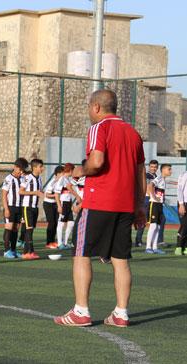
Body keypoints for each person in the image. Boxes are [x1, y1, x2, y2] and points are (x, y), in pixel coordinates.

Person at [55, 89, 145, 328]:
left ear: (96, 107)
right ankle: (121, 313)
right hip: (125, 205)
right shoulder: (134, 134)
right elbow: (140, 174)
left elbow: (96, 162)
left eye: (88, 107)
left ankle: (81, 311)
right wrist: (139, 207)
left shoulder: (99, 128)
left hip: (100, 201)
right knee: (121, 259)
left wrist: (79, 171)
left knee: (82, 253)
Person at [1, 158, 28, 257]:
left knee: (16, 229)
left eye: (23, 170)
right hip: (10, 207)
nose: (21, 172)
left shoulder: (22, 178)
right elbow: (4, 194)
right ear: (15, 167)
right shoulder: (8, 179)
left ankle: (13, 250)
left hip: (19, 207)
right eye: (20, 169)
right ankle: (6, 251)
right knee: (9, 228)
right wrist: (6, 209)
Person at [19, 159, 45, 260]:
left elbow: (40, 192)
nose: (42, 168)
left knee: (30, 230)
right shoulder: (28, 178)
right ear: (35, 167)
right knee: (29, 230)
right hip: (27, 207)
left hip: (35, 207)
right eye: (41, 167)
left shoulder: (39, 179)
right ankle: (31, 251)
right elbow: (20, 192)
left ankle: (25, 253)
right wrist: (34, 192)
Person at [145, 164, 171, 254]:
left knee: (158, 226)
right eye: (169, 169)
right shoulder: (159, 178)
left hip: (159, 205)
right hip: (154, 204)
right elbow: (150, 186)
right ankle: (148, 247)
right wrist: (153, 197)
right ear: (163, 170)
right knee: (153, 225)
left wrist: (162, 199)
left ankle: (155, 247)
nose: (170, 171)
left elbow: (160, 191)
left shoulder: (163, 180)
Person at [54, 163, 82, 250]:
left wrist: (72, 203)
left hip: (68, 203)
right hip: (63, 203)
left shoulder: (67, 179)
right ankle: (59, 243)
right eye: (73, 170)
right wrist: (59, 205)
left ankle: (65, 243)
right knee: (61, 223)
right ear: (70, 170)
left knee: (71, 223)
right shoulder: (62, 179)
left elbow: (69, 193)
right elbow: (56, 193)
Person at [135, 160, 158, 247]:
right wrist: (153, 196)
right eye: (152, 167)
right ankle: (138, 240)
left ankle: (156, 240)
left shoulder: (155, 175)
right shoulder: (147, 175)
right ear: (149, 167)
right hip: (146, 199)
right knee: (143, 220)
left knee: (157, 221)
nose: (153, 168)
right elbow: (148, 187)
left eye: (155, 167)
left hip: (151, 199)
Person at [43, 166, 64, 249]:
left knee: (56, 223)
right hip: (48, 204)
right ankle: (48, 242)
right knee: (51, 223)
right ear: (58, 174)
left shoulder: (61, 182)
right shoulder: (53, 182)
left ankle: (52, 241)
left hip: (55, 204)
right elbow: (47, 195)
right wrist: (56, 196)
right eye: (62, 173)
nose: (63, 175)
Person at [176, 169, 187, 256]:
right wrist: (181, 204)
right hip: (184, 203)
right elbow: (179, 189)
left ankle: (186, 248)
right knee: (184, 225)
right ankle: (179, 247)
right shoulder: (184, 174)